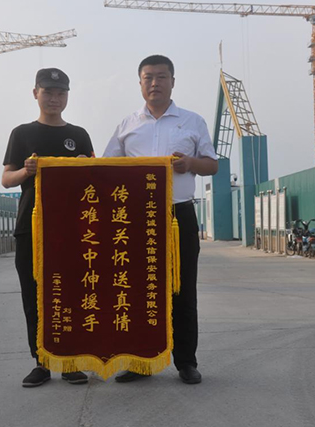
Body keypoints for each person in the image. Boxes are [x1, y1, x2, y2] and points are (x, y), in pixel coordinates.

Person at [103, 55, 218, 384]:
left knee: (183, 290)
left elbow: (212, 165)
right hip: (137, 219)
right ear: (140, 83)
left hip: (179, 215)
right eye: (148, 77)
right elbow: (106, 168)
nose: (155, 83)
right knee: (138, 289)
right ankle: (141, 362)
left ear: (173, 82)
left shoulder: (192, 121)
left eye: (162, 77)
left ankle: (186, 362)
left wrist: (190, 163)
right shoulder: (127, 125)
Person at [2, 68, 94, 388]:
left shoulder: (79, 135)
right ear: (35, 94)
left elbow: (97, 177)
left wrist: (86, 166)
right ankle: (41, 362)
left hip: (72, 228)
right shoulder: (22, 134)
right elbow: (6, 179)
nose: (54, 98)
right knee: (34, 294)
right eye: (48, 92)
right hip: (31, 227)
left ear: (67, 96)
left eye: (60, 93)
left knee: (72, 292)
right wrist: (26, 171)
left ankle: (69, 361)